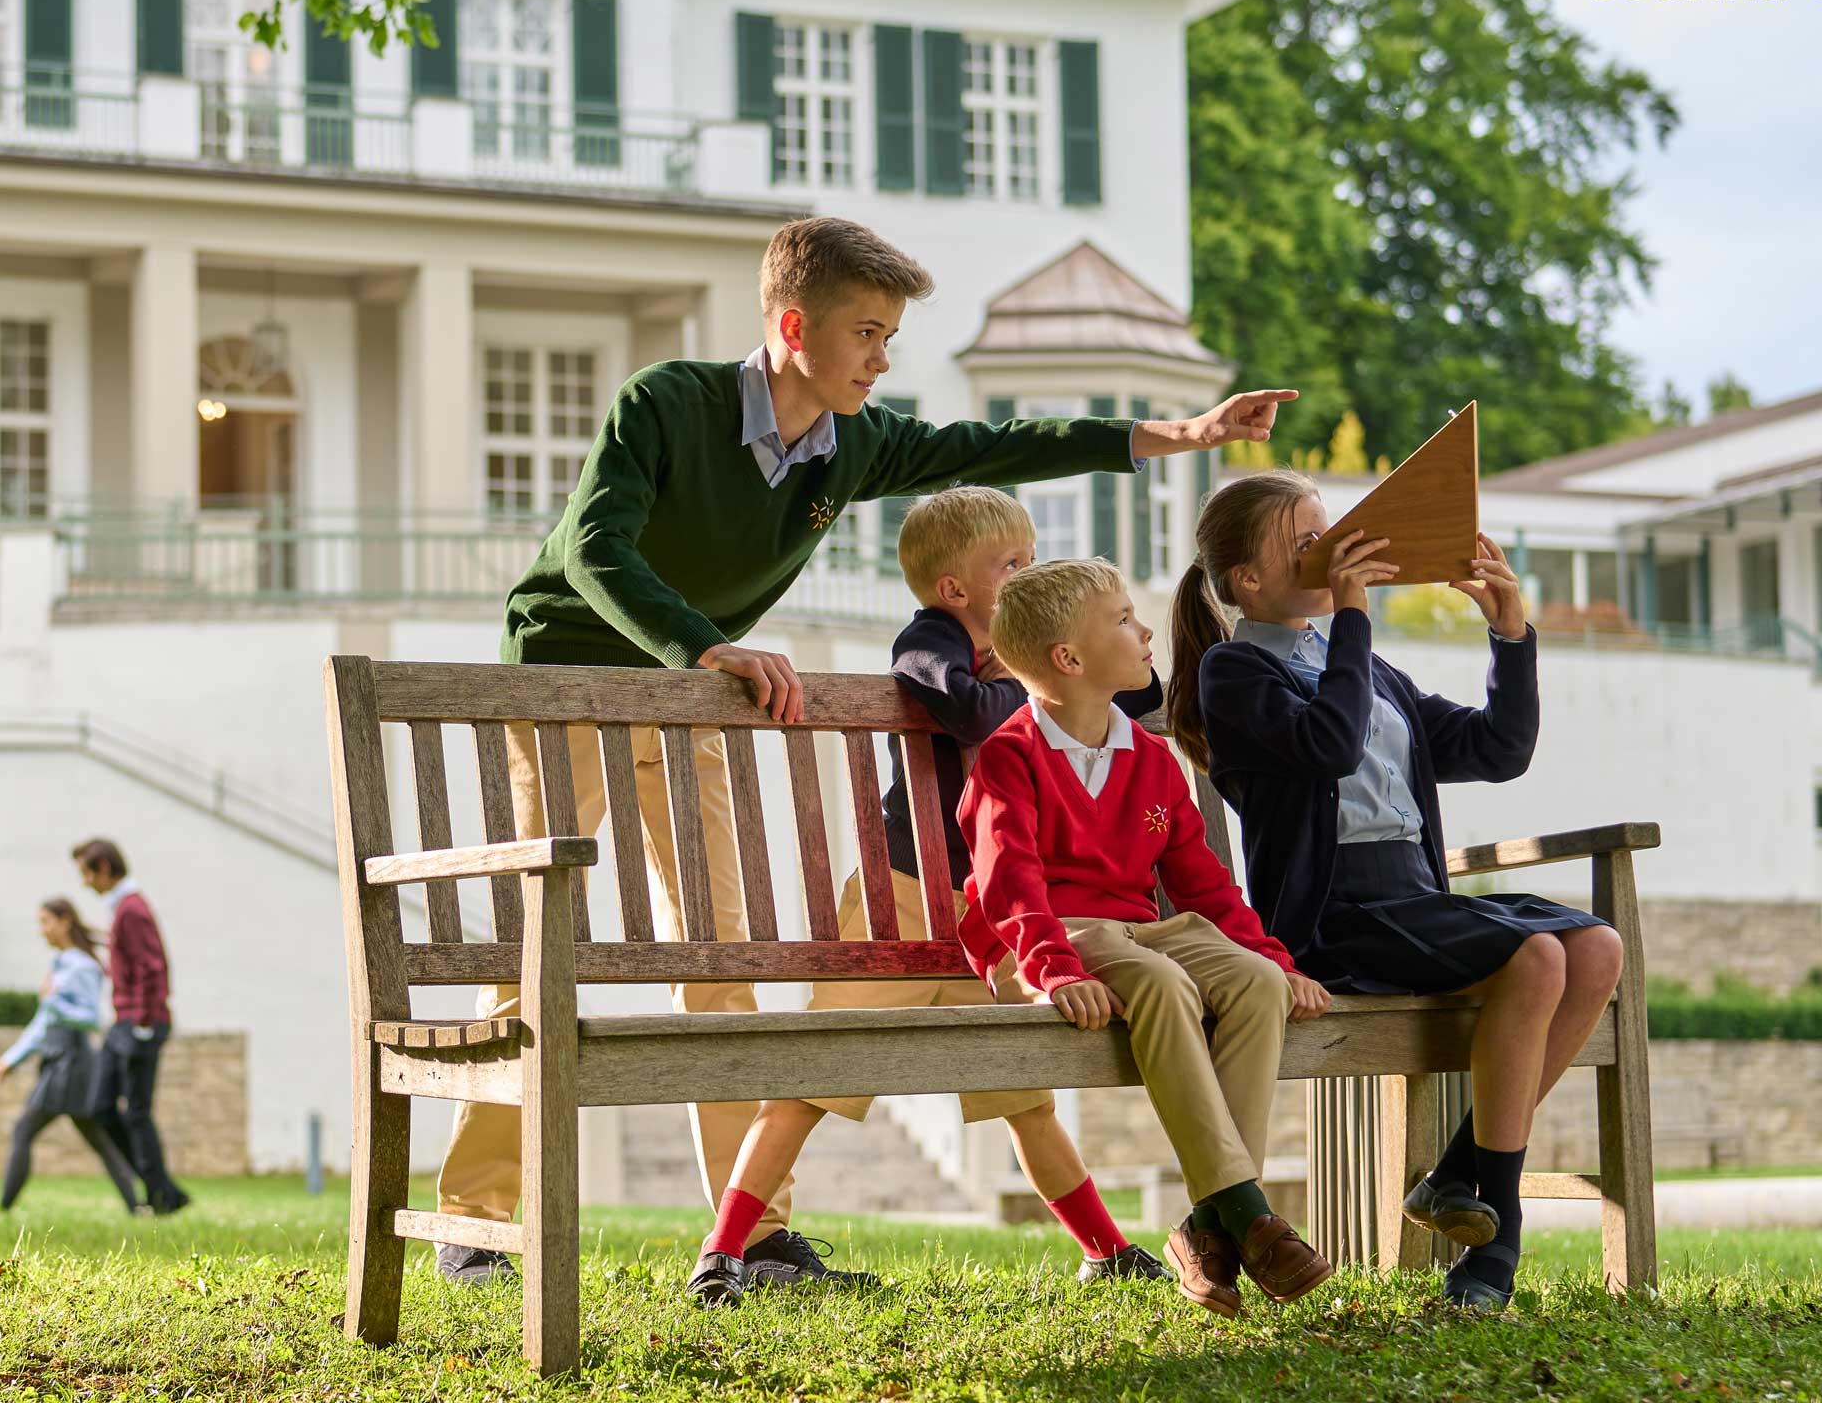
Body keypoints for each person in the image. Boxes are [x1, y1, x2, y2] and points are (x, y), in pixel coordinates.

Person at [432, 215, 1295, 1290]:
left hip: (689, 698)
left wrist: (1177, 434)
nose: (884, 359)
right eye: (869, 334)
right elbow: (592, 545)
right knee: (532, 940)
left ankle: (747, 1237)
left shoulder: (855, 441)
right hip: (568, 680)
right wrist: (708, 643)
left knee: (722, 951)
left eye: (890, 337)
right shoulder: (665, 403)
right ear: (795, 326)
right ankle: (475, 1220)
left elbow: (994, 448)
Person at [684, 488, 1171, 1307]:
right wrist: (1038, 692)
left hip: (998, 908)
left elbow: (1143, 702)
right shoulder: (935, 638)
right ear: (955, 590)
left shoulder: (1036, 652)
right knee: (814, 1074)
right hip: (901, 899)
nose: (1028, 573)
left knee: (1025, 1091)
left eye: (1030, 559)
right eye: (1010, 565)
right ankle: (725, 1248)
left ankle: (1105, 1250)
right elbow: (951, 700)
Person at [1165, 469, 1625, 1313]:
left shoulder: (1369, 670)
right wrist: (1349, 618)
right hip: (1331, 919)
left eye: (1328, 530)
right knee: (1532, 959)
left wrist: (1510, 634)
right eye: (1305, 542)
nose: (1333, 548)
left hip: (1416, 901)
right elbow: (1332, 747)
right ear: (1248, 582)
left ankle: (1455, 1177)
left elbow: (1497, 750)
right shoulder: (1234, 675)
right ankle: (1497, 1246)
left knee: (1595, 947)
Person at [957, 557, 1337, 1320]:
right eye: (1125, 621)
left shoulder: (1151, 759)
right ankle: (1246, 1218)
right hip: (1045, 941)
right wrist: (1054, 971)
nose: (1144, 632)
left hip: (1137, 932)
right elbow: (1009, 887)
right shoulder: (1011, 756)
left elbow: (1204, 886)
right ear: (1068, 660)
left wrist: (1271, 958)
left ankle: (1215, 1223)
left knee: (1254, 985)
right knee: (1164, 983)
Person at [0, 897, 143, 1214]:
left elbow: (90, 1018)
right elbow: (43, 1022)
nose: (41, 930)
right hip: (60, 1058)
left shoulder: (82, 967)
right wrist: (11, 1059)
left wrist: (54, 1001)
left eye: (45, 921)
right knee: (96, 1136)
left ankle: (4, 1206)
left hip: (72, 1062)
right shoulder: (60, 965)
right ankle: (137, 1205)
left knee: (24, 1130)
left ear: (65, 922)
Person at [72, 837, 191, 1217]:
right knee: (100, 1107)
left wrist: (141, 1022)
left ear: (104, 868)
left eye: (86, 874)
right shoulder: (123, 909)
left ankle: (162, 1195)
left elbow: (153, 968)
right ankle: (163, 1189)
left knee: (137, 1112)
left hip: (140, 1023)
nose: (85, 883)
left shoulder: (132, 909)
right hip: (124, 1022)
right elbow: (127, 953)